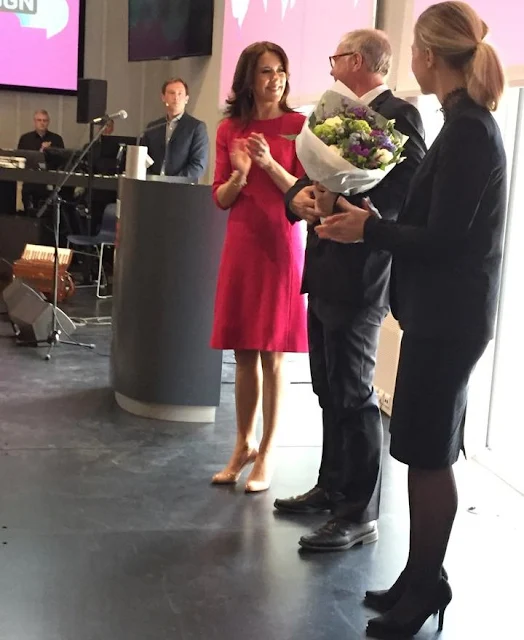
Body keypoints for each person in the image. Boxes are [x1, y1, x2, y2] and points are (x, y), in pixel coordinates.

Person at [315, 3, 506, 637]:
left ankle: (426, 585)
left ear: (427, 55)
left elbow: (446, 238)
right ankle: (420, 575)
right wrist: (368, 222)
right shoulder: (460, 125)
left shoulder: (471, 130)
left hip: (450, 320)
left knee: (428, 457)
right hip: (441, 314)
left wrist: (369, 227)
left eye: (415, 54)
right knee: (426, 450)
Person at [274, 30, 426, 551]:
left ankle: (360, 511)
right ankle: (331, 485)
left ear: (356, 60)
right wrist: (301, 199)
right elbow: (304, 179)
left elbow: (406, 194)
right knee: (325, 384)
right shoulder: (329, 116)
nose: (332, 65)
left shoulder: (401, 117)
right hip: (323, 267)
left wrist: (344, 209)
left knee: (355, 392)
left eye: (336, 57)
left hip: (363, 274)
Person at [210, 42, 308, 493]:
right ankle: (242, 444)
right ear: (249, 78)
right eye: (267, 71)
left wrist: (268, 163)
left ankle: (267, 452)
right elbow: (221, 198)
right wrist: (240, 175)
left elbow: (306, 194)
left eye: (281, 70)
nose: (277, 79)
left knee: (273, 353)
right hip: (243, 243)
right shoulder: (230, 128)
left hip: (281, 243)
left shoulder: (298, 127)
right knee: (243, 351)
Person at [141, 78, 208, 179]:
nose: (176, 97)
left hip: (181, 189)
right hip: (152, 186)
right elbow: (143, 159)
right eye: (172, 93)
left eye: (180, 93)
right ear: (163, 97)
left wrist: (172, 182)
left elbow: (198, 165)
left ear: (186, 99)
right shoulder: (152, 128)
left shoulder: (196, 128)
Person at [17, 110, 65, 212]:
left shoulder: (56, 139)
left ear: (48, 122)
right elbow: (22, 160)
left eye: (45, 120)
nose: (42, 123)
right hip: (31, 181)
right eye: (39, 120)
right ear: (34, 121)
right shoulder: (25, 139)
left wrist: (51, 152)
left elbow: (62, 161)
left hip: (50, 182)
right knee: (29, 211)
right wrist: (41, 152)